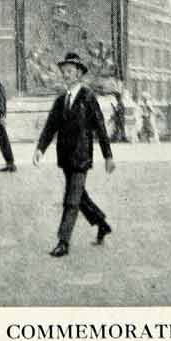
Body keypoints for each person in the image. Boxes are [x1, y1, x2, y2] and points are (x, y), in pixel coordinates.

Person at [33, 52, 114, 258]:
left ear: (78, 73)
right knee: (79, 197)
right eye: (64, 71)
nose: (66, 74)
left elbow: (100, 127)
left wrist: (108, 156)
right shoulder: (61, 100)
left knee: (71, 200)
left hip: (81, 157)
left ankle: (63, 241)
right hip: (65, 157)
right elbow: (50, 127)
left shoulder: (88, 97)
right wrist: (40, 149)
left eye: (69, 71)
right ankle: (102, 224)